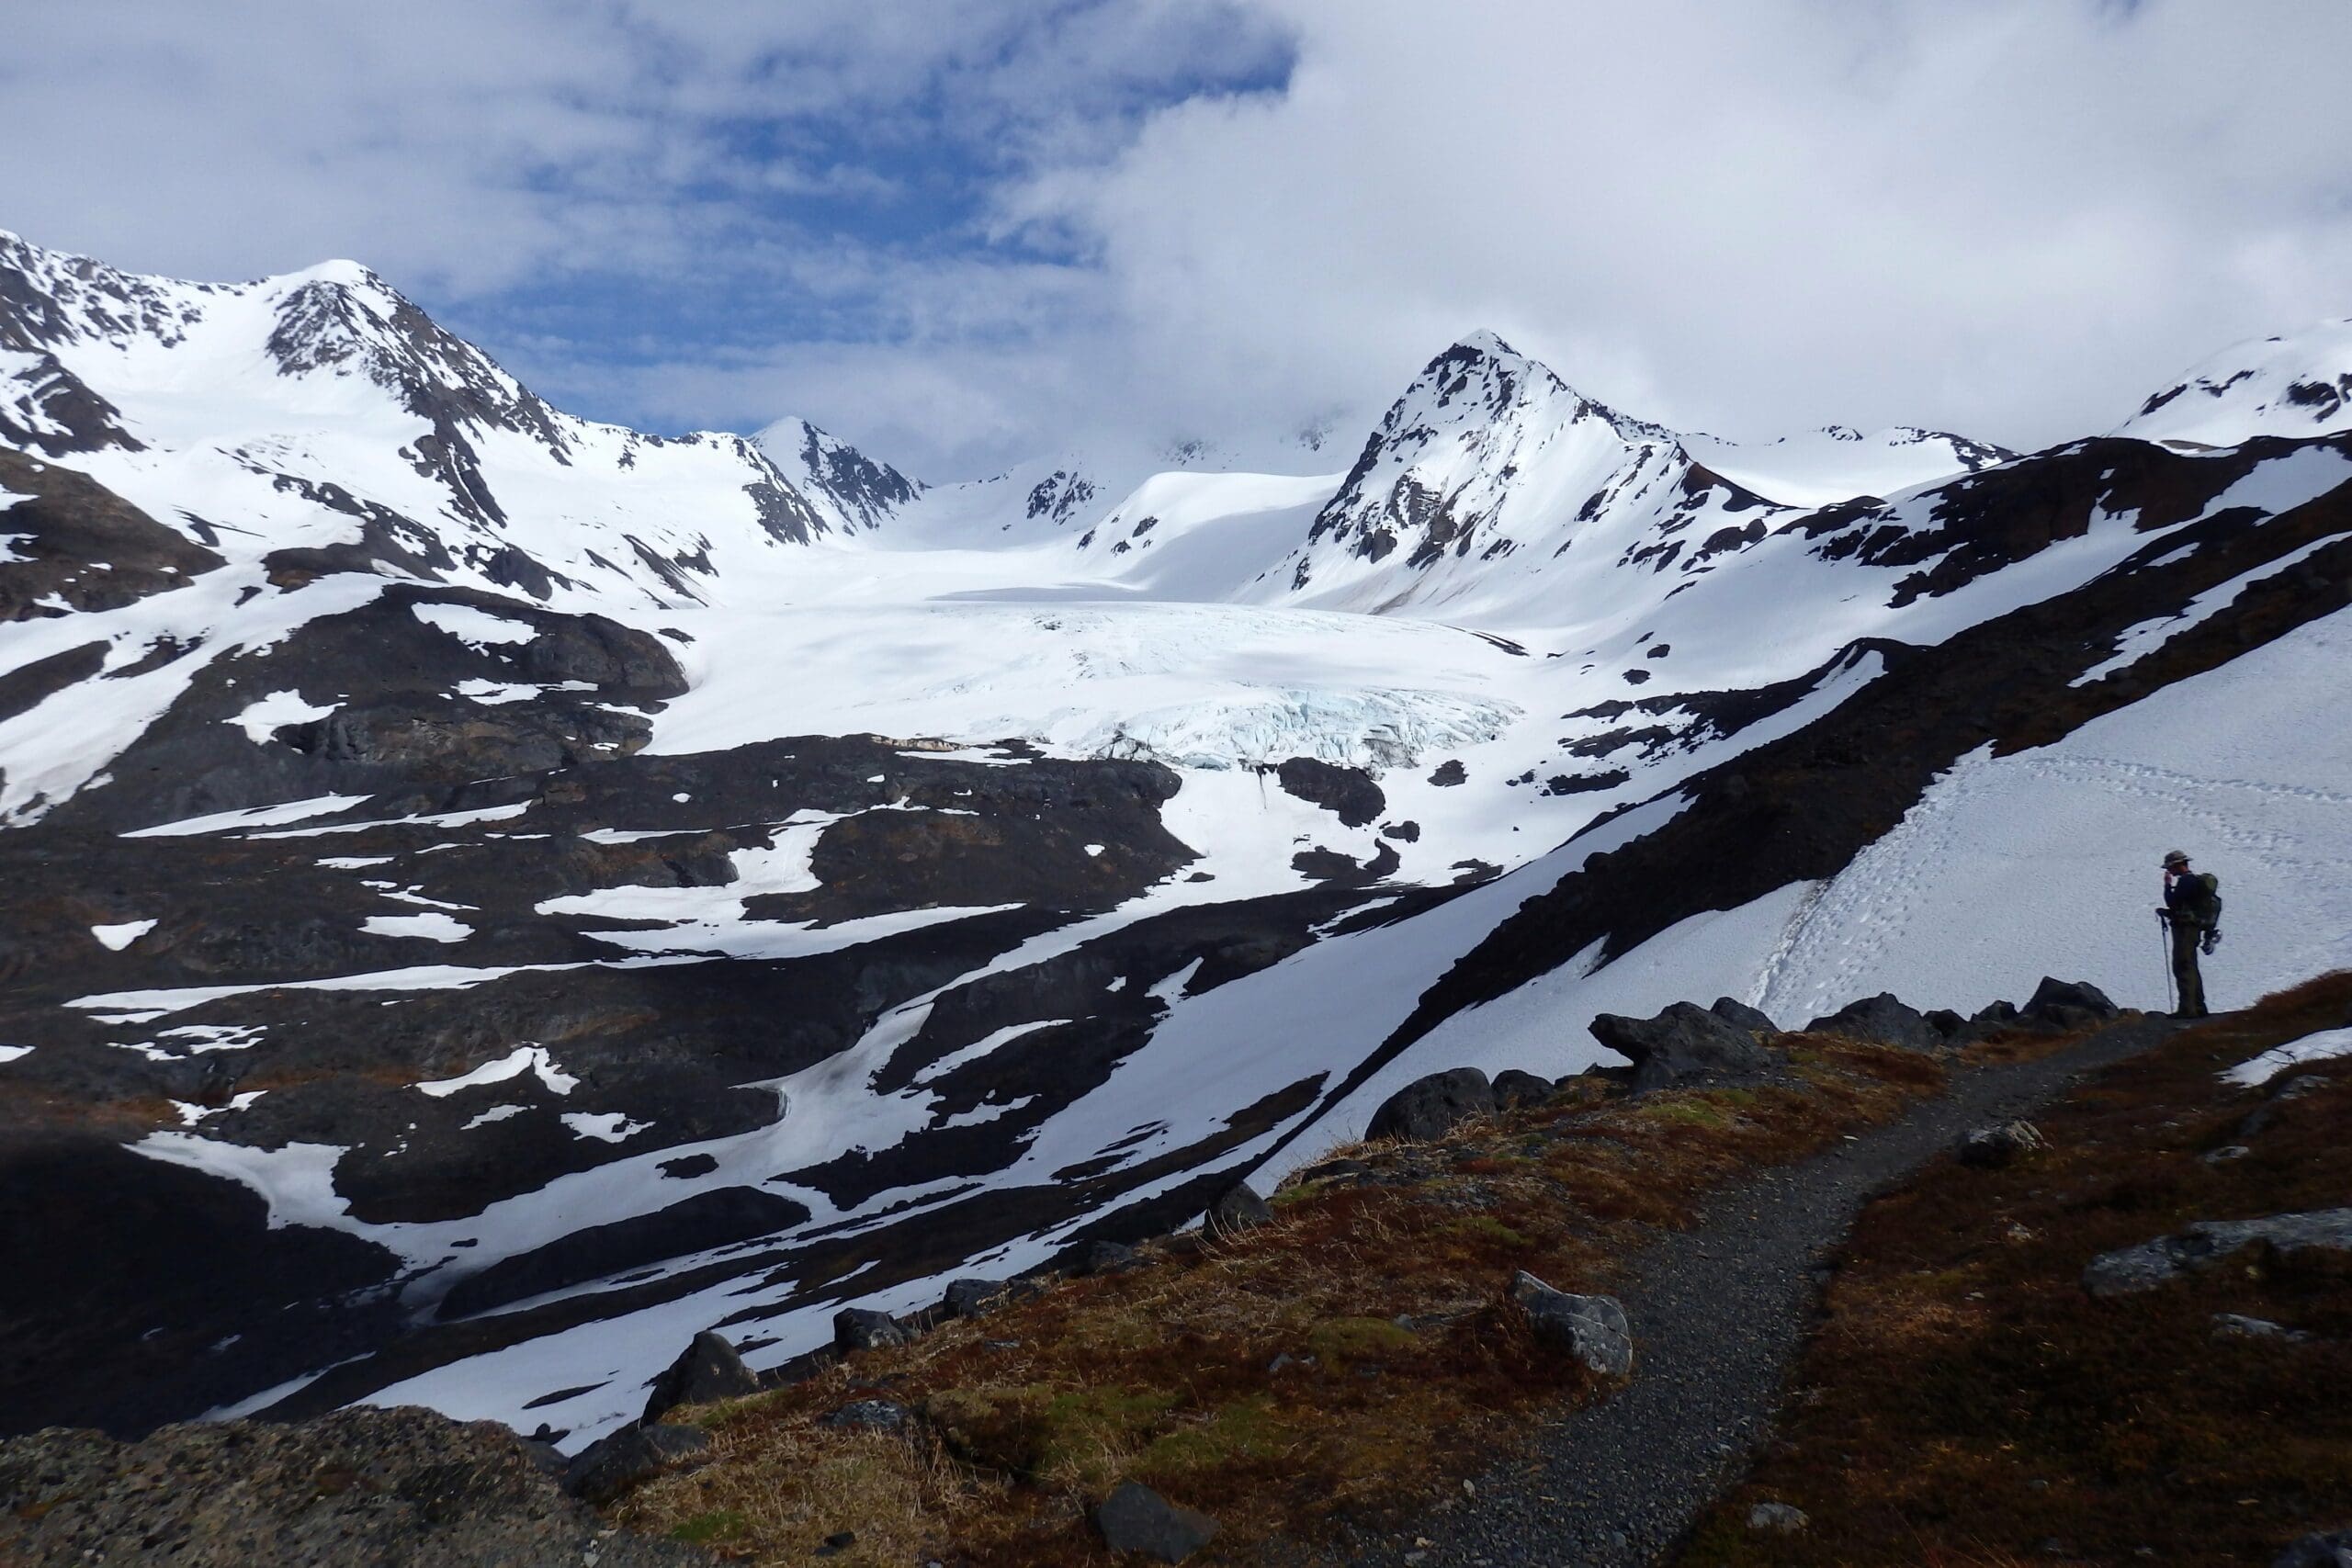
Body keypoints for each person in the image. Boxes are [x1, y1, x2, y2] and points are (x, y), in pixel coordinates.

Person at [2157, 849, 2222, 1018]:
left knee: (2182, 966)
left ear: (2178, 865)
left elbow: (2172, 902)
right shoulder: (2192, 882)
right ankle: (2198, 1007)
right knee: (2191, 966)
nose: (2169, 871)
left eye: (2170, 867)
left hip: (2185, 930)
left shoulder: (2186, 881)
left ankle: (2187, 1009)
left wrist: (2167, 885)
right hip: (2192, 928)